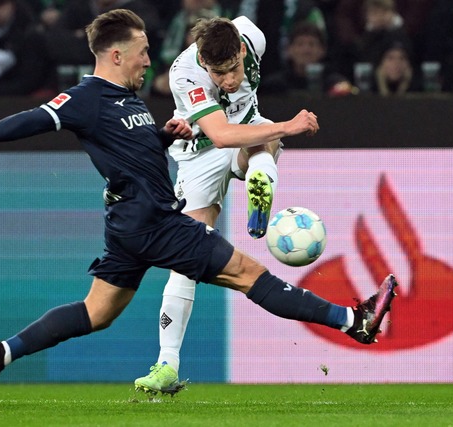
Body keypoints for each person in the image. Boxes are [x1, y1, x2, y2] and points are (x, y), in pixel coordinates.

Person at [0, 9, 398, 409]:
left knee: (96, 312)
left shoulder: (123, 99)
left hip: (130, 223)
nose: (149, 60)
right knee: (251, 276)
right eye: (142, 51)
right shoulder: (85, 97)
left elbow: (128, 148)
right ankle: (354, 321)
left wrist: (164, 136)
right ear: (116, 55)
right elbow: (35, 118)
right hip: (154, 220)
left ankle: (1, 353)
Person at [132, 15, 366, 396]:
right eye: (219, 73)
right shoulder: (184, 72)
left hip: (248, 132)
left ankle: (259, 176)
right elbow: (221, 135)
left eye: (233, 69)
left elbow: (241, 126)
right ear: (204, 64)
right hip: (199, 153)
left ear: (243, 49)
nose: (228, 80)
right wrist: (287, 127)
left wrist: (273, 130)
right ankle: (167, 364)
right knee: (186, 257)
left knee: (262, 138)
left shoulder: (253, 36)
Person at [260, 21, 352, 96]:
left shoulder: (335, 84)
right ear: (289, 50)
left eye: (312, 44)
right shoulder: (273, 86)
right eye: (300, 44)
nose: (306, 50)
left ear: (322, 50)